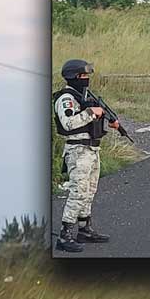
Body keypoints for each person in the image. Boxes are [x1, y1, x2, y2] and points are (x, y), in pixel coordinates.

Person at [52, 59, 118, 252]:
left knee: (89, 191)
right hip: (77, 151)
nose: (86, 79)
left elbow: (93, 120)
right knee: (78, 192)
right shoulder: (66, 99)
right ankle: (65, 235)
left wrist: (108, 120)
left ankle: (84, 229)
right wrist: (91, 112)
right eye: (83, 76)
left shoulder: (84, 96)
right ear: (73, 77)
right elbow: (68, 124)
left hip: (92, 149)